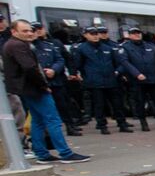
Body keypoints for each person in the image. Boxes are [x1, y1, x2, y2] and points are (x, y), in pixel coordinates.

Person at [2, 18, 90, 163]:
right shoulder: (18, 45)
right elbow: (30, 68)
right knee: (53, 119)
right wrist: (43, 85)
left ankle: (41, 153)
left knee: (38, 121)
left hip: (26, 88)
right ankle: (65, 153)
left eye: (30, 30)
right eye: (25, 31)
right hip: (33, 88)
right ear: (14, 31)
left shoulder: (15, 44)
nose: (29, 33)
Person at [69, 25, 132, 134]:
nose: (95, 36)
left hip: (111, 81)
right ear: (85, 35)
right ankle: (102, 126)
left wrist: (117, 72)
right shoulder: (81, 49)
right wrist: (78, 74)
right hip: (95, 82)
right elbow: (77, 65)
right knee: (99, 105)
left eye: (96, 34)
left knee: (118, 104)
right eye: (92, 34)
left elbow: (119, 63)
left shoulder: (107, 47)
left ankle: (122, 124)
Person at [119, 26, 155, 131]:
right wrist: (136, 74)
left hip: (153, 78)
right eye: (134, 33)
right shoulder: (125, 47)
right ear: (129, 35)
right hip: (137, 80)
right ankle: (144, 123)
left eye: (138, 33)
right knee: (140, 102)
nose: (137, 35)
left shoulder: (150, 46)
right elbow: (125, 62)